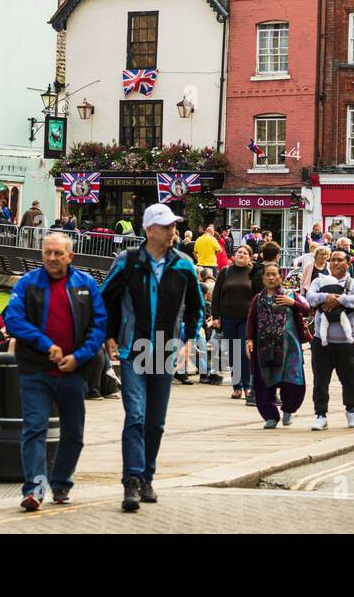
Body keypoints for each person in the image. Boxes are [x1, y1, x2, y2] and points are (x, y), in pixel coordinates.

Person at [102, 203, 204, 513]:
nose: (173, 230)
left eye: (175, 225)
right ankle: (131, 481)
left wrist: (187, 342)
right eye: (167, 226)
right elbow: (105, 298)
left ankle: (147, 478)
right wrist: (108, 335)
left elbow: (197, 308)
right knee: (135, 415)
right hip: (134, 349)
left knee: (156, 422)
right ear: (149, 230)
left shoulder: (184, 265)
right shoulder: (128, 262)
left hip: (165, 350)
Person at [3, 233, 107, 510]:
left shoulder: (85, 284)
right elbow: (13, 319)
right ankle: (35, 489)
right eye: (47, 252)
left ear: (70, 256)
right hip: (36, 371)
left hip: (74, 371)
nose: (51, 258)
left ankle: (61, 483)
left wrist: (78, 357)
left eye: (58, 253)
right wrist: (46, 345)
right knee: (34, 429)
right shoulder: (28, 283)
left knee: (74, 434)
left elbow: (99, 326)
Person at [305, 248, 354, 430]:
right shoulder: (319, 280)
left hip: (348, 342)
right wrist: (327, 296)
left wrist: (338, 300)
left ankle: (350, 410)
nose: (336, 263)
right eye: (333, 260)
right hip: (321, 341)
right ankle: (321, 414)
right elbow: (310, 298)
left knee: (349, 379)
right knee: (320, 380)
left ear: (348, 263)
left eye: (340, 260)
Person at [244, 262, 311, 428]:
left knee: (293, 381)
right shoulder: (257, 299)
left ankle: (289, 410)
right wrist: (249, 340)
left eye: (275, 274)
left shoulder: (290, 295)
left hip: (289, 348)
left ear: (281, 277)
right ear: (263, 278)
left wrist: (292, 303)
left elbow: (307, 309)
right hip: (264, 348)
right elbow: (251, 321)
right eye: (268, 275)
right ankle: (270, 417)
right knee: (263, 382)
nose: (271, 278)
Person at [212, 245, 256, 401]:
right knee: (232, 352)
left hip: (247, 319)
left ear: (250, 257)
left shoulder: (254, 273)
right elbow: (216, 295)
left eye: (245, 253)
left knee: (244, 353)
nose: (241, 255)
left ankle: (248, 387)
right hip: (228, 318)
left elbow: (258, 296)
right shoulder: (226, 271)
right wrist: (215, 316)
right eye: (239, 252)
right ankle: (236, 387)